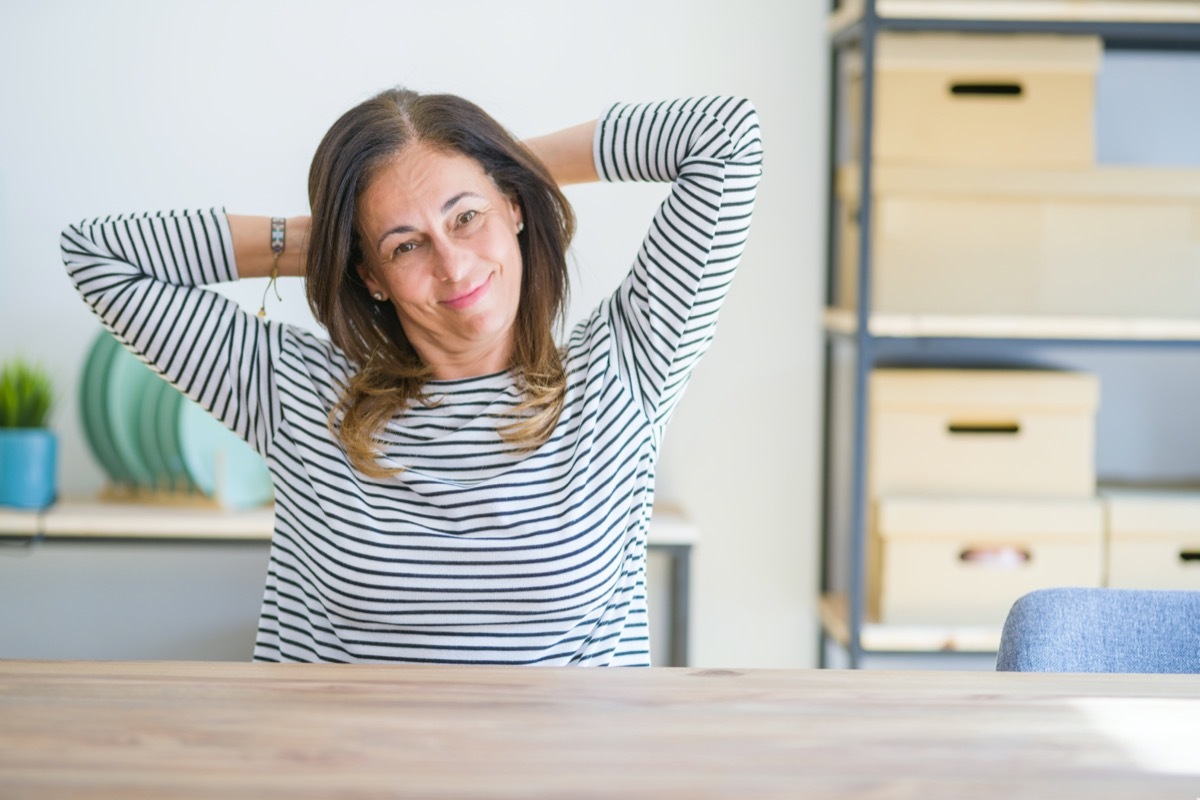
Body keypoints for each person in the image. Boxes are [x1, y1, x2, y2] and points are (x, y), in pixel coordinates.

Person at [61, 89, 762, 666]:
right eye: (406, 245)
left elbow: (726, 138)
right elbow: (96, 255)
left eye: (467, 216)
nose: (453, 266)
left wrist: (506, 166)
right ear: (369, 274)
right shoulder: (298, 395)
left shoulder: (626, 370)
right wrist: (330, 236)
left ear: (514, 209)